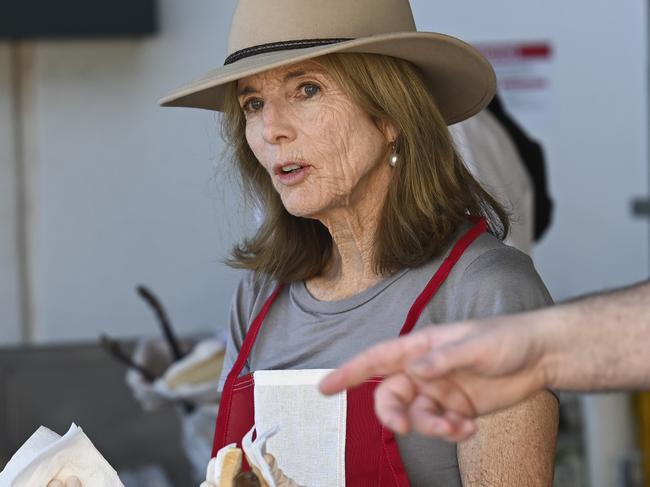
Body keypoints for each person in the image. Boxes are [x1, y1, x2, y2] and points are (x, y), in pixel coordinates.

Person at [160, 0, 558, 484]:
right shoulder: (260, 295)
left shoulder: (485, 294)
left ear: (389, 115)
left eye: (307, 89)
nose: (270, 129)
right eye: (253, 103)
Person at [320, 280, 650, 443]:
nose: (274, 139)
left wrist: (540, 351)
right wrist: (539, 348)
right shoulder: (267, 284)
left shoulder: (486, 284)